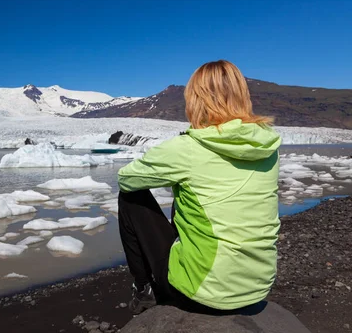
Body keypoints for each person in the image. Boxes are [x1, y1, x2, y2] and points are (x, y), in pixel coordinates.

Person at [117, 60, 281, 314]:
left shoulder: (188, 148)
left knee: (129, 197)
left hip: (205, 293)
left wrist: (175, 167)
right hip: (258, 287)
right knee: (193, 196)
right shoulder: (266, 146)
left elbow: (126, 179)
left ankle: (144, 289)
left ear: (197, 99)